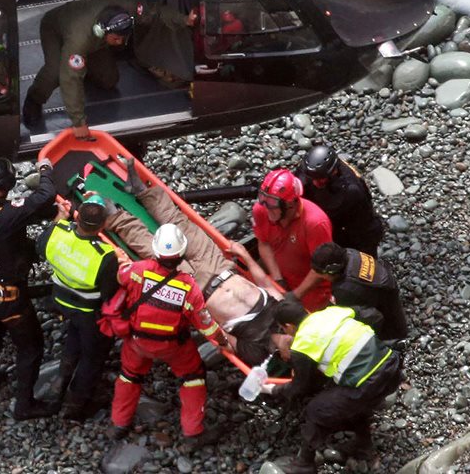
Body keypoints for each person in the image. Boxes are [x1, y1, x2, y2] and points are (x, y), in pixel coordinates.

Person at [104, 166, 281, 365]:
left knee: (152, 249)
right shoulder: (287, 314)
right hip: (221, 267)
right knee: (181, 226)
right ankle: (142, 191)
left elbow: (221, 339)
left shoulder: (257, 351)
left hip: (198, 290)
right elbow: (266, 284)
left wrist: (195, 312)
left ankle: (115, 217)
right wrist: (246, 257)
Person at [108, 224, 225, 450]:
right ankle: (193, 433)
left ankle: (118, 424)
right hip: (173, 346)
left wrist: (121, 258)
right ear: (181, 254)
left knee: (129, 376)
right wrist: (223, 342)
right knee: (193, 377)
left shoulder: (138, 271)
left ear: (156, 251)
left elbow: (121, 276)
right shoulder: (188, 287)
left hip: (137, 342)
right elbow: (205, 324)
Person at [0, 156, 60, 419]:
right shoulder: (4, 217)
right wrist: (45, 169)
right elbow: (45, 195)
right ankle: (24, 405)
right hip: (10, 296)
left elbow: (16, 216)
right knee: (31, 347)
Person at [266, 300, 404, 473]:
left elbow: (300, 388)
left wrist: (273, 389)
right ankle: (363, 444)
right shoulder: (332, 312)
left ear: (288, 326)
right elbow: (373, 315)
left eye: (283, 329)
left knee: (315, 410)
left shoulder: (302, 344)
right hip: (392, 365)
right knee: (344, 397)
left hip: (368, 383)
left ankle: (304, 464)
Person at [36, 195, 123, 420]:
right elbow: (109, 293)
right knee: (92, 357)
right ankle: (76, 405)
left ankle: (60, 382)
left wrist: (59, 219)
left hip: (62, 301)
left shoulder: (58, 232)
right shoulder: (105, 256)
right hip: (88, 311)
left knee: (73, 339)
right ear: (103, 225)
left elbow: (41, 246)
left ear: (78, 218)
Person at [23, 0, 156, 138]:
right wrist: (78, 122)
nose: (119, 43)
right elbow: (70, 78)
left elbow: (156, 11)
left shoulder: (131, 8)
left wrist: (181, 19)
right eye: (116, 39)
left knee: (109, 80)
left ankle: (86, 70)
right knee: (55, 72)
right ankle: (33, 99)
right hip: (55, 28)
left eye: (123, 39)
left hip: (97, 42)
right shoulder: (79, 40)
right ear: (102, 31)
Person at [253, 169, 333, 311]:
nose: (266, 207)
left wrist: (295, 295)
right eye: (263, 198)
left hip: (312, 288)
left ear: (290, 204)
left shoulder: (315, 223)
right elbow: (264, 243)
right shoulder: (261, 210)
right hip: (282, 276)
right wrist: (278, 279)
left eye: (272, 202)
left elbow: (322, 269)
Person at [295, 145, 385, 257]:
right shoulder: (309, 170)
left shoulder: (352, 191)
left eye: (319, 180)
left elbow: (364, 229)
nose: (314, 183)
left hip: (353, 225)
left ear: (333, 173)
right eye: (312, 178)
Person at [310, 243, 408, 341]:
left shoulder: (345, 289)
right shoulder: (350, 253)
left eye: (321, 273)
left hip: (387, 323)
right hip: (387, 288)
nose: (320, 276)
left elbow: (341, 316)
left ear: (332, 271)